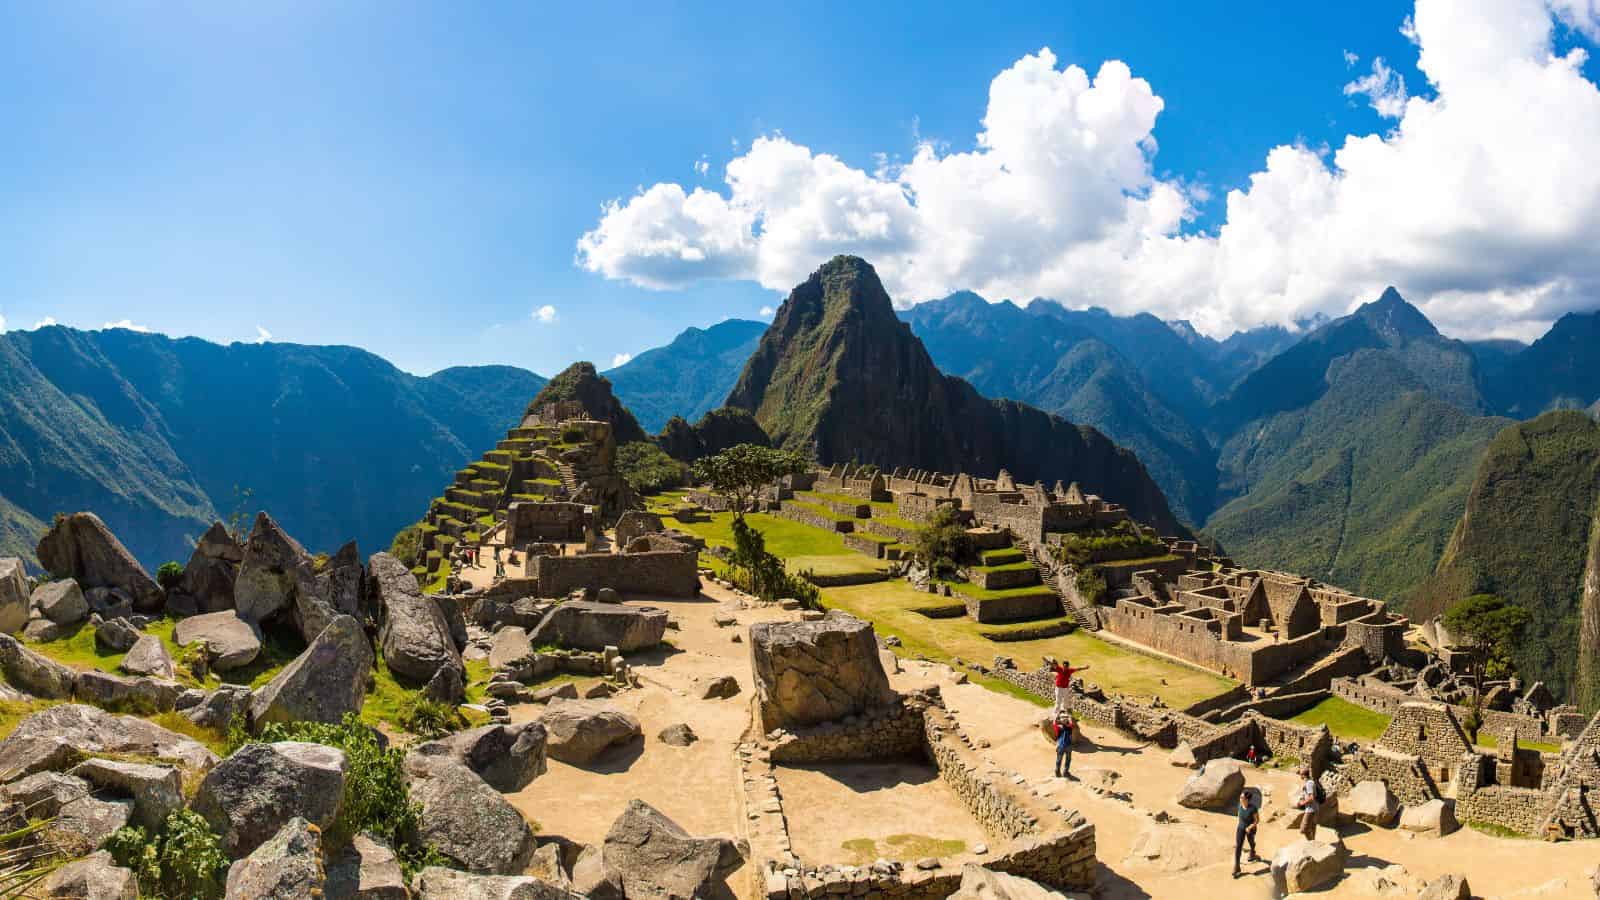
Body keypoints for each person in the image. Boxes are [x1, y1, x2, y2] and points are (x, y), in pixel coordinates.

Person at [1233, 787, 1261, 878]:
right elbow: (1239, 815)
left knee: (1251, 842)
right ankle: (1237, 866)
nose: (1240, 799)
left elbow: (1257, 821)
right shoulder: (1240, 805)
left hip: (1251, 829)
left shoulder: (1253, 808)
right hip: (1241, 828)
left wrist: (1250, 827)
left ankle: (1252, 852)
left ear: (1247, 799)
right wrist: (1241, 824)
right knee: (1238, 846)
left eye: (1242, 798)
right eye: (1240, 797)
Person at [1293, 765, 1321, 840]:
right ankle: (1313, 842)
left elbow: (1311, 797)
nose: (1299, 776)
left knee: (1303, 829)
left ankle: (1310, 841)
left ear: (1303, 775)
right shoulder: (1309, 782)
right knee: (1312, 826)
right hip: (1314, 808)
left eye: (1300, 774)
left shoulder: (1309, 783)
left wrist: (1302, 803)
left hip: (1311, 809)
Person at [1054, 713, 1076, 779]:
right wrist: (1069, 716)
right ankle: (1065, 772)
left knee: (1059, 759)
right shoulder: (1070, 727)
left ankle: (1057, 772)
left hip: (1060, 745)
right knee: (1068, 759)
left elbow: (1055, 722)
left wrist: (1058, 715)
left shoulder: (1058, 727)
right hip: (1068, 746)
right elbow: (1071, 722)